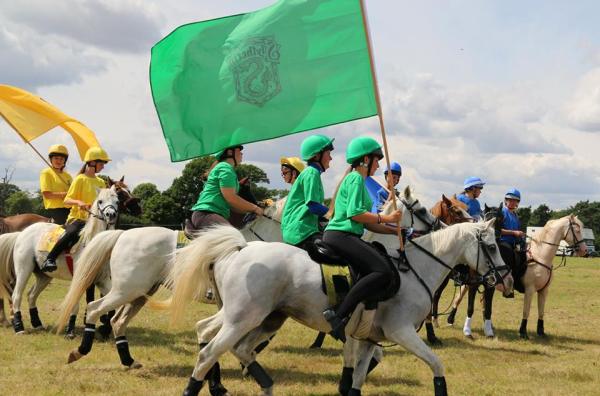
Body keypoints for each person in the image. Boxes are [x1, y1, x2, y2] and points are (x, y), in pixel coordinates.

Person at [322, 136, 401, 342]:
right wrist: (387, 217)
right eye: (377, 160)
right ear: (366, 159)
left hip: (344, 234)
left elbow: (367, 223)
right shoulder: (356, 178)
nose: (378, 165)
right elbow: (355, 214)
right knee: (382, 270)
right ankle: (338, 316)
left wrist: (393, 230)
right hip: (341, 235)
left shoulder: (358, 179)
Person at [41, 146, 110, 272]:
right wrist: (79, 202)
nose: (103, 166)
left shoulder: (101, 182)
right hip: (78, 217)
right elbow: (67, 200)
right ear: (92, 163)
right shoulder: (80, 179)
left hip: (95, 219)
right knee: (73, 231)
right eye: (102, 163)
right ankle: (50, 258)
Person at [281, 135, 333, 257]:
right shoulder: (311, 173)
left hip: (301, 230)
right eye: (328, 154)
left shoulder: (312, 173)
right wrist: (336, 215)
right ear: (317, 155)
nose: (330, 158)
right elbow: (313, 206)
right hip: (302, 231)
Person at [191, 145, 263, 230]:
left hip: (209, 214)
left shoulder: (224, 168)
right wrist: (255, 208)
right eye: (239, 150)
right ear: (230, 152)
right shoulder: (225, 168)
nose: (241, 153)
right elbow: (231, 198)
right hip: (207, 214)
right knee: (235, 237)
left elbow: (233, 206)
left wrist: (251, 210)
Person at [39, 144, 73, 225]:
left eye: (61, 159)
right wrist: (65, 194)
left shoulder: (68, 176)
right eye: (56, 158)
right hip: (56, 210)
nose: (59, 161)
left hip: (70, 208)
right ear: (51, 159)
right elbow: (47, 194)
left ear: (65, 161)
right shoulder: (46, 173)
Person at [499, 188, 526, 285]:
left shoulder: (516, 216)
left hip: (514, 244)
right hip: (502, 242)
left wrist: (521, 236)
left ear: (517, 202)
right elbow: (498, 230)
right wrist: (514, 233)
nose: (511, 202)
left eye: (514, 200)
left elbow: (517, 232)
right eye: (509, 200)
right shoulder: (502, 213)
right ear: (505, 200)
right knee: (510, 255)